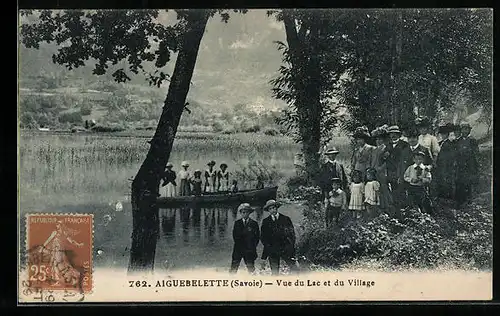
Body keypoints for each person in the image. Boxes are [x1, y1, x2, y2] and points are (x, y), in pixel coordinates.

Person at [38, 221, 84, 287]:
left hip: (59, 251)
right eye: (57, 224)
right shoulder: (55, 232)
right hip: (56, 251)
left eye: (59, 224)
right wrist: (43, 246)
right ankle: (64, 279)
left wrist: (78, 244)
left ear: (61, 225)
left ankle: (67, 278)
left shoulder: (64, 233)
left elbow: (71, 241)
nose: (57, 226)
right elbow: (49, 239)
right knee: (57, 265)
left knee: (57, 266)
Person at [260, 199, 299, 275]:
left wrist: (292, 249)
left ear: (277, 208)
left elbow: (292, 235)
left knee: (295, 269)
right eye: (270, 209)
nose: (273, 210)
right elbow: (264, 239)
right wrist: (264, 257)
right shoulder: (266, 222)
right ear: (268, 210)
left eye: (274, 208)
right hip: (273, 250)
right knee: (274, 273)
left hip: (286, 249)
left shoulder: (286, 219)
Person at [230, 203, 260, 274]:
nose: (245, 214)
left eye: (246, 212)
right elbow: (235, 236)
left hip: (250, 249)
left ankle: (253, 282)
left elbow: (257, 237)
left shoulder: (254, 223)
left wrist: (252, 246)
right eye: (243, 212)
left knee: (251, 268)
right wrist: (240, 245)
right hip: (238, 249)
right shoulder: (237, 223)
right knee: (234, 268)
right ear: (240, 213)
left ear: (249, 213)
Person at [385, 125, 410, 211]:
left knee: (401, 190)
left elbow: (407, 158)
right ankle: (395, 210)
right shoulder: (387, 145)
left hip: (401, 171)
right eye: (391, 134)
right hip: (390, 171)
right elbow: (383, 159)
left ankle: (404, 210)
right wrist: (384, 156)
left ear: (399, 135)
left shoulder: (405, 145)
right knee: (393, 190)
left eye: (395, 134)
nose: (393, 136)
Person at [455, 122, 479, 206]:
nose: (465, 131)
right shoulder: (458, 141)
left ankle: (469, 199)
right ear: (461, 131)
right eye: (463, 129)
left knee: (469, 182)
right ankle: (461, 200)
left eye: (467, 129)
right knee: (460, 181)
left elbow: (476, 153)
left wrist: (476, 165)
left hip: (470, 165)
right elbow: (456, 153)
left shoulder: (472, 140)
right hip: (460, 165)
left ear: (469, 130)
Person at [370, 126, 392, 212]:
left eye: (380, 139)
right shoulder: (374, 149)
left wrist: (380, 168)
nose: (378, 141)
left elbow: (387, 161)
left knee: (383, 188)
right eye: (377, 139)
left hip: (381, 172)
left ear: (384, 140)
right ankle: (378, 208)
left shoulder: (385, 148)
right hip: (374, 171)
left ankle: (386, 207)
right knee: (376, 188)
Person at [435, 123, 458, 201]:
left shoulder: (450, 144)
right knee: (441, 179)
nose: (442, 135)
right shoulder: (440, 143)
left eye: (444, 134)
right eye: (441, 134)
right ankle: (442, 196)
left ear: (447, 134)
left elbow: (451, 156)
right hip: (440, 164)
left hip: (447, 164)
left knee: (448, 179)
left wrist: (448, 163)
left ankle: (449, 197)